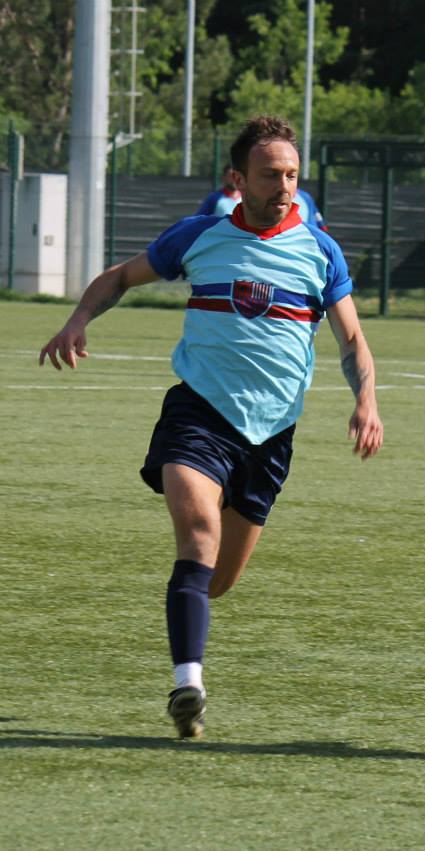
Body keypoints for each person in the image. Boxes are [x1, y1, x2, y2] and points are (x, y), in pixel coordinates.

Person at [39, 116, 383, 739]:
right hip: (199, 414)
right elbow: (119, 276)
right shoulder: (198, 236)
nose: (284, 186)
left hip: (272, 434)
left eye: (292, 175)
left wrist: (368, 401)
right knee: (197, 534)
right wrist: (78, 319)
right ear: (238, 179)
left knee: (218, 580)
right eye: (270, 174)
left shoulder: (320, 250)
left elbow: (353, 339)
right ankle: (188, 685)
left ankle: (189, 616)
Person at [198, 162, 328, 231]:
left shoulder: (305, 198)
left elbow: (320, 227)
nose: (282, 184)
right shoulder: (216, 199)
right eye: (271, 175)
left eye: (290, 175)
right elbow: (199, 222)